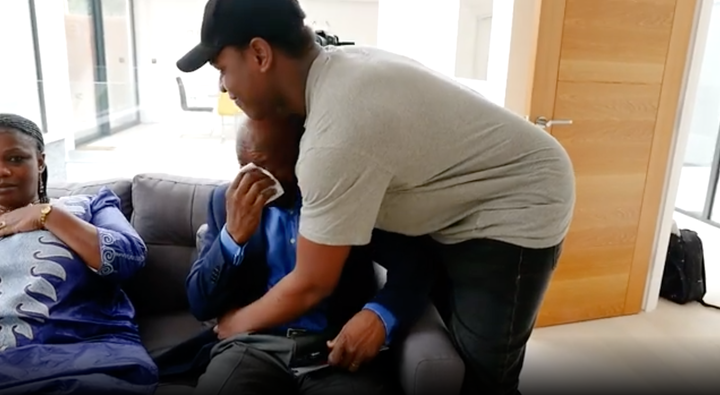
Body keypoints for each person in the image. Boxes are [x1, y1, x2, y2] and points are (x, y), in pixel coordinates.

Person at [176, 0, 576, 394]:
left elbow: (312, 282)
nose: (222, 85)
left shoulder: (334, 138)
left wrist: (234, 325)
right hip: (460, 207)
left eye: (222, 69)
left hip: (518, 201)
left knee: (482, 378)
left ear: (260, 53)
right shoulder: (338, 71)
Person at [176, 115, 430, 395]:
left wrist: (378, 317)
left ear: (302, 157)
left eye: (264, 166)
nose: (254, 180)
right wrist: (233, 237)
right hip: (252, 348)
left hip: (333, 350)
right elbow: (200, 304)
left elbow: (416, 266)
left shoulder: (344, 198)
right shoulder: (226, 201)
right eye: (244, 167)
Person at [0, 114, 157, 395]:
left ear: (40, 161)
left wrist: (46, 216)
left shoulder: (88, 206)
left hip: (88, 360)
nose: (2, 171)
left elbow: (128, 259)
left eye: (15, 159)